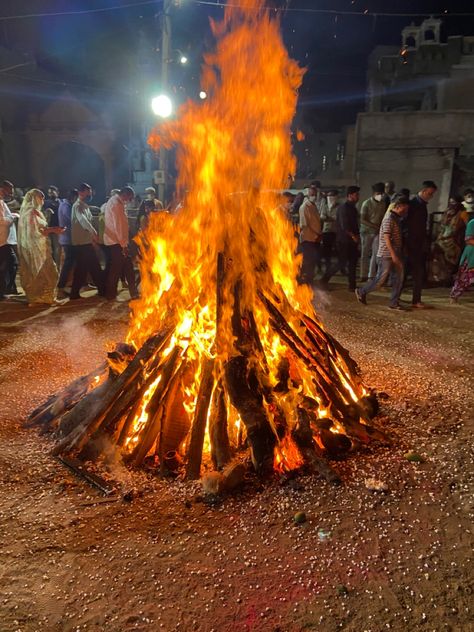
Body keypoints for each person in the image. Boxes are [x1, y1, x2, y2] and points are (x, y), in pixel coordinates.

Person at [355, 195, 409, 310]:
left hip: (394, 253)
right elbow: (386, 238)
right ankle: (361, 291)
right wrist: (393, 255)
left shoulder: (396, 218)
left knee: (399, 278)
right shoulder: (389, 219)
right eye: (405, 208)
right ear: (399, 206)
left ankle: (394, 302)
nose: (406, 211)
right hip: (386, 255)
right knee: (380, 280)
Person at [17, 189, 65, 306]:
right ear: (34, 198)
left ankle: (44, 298)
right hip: (36, 250)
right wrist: (54, 230)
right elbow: (36, 232)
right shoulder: (30, 213)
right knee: (48, 273)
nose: (43, 200)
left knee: (45, 274)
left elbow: (40, 227)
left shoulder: (34, 212)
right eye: (41, 198)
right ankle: (38, 299)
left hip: (41, 248)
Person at [403, 180, 437, 308]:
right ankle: (414, 300)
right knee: (415, 272)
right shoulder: (413, 204)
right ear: (423, 191)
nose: (431, 196)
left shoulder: (422, 205)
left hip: (417, 245)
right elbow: (405, 224)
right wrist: (406, 242)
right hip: (411, 244)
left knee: (411, 272)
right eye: (430, 193)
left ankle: (410, 299)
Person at [321, 185, 360, 290]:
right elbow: (344, 225)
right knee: (341, 263)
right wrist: (353, 236)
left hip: (352, 240)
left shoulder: (353, 208)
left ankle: (352, 285)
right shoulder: (343, 208)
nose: (358, 197)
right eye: (356, 194)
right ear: (350, 195)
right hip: (344, 241)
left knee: (353, 263)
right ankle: (324, 279)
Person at [70, 183, 105, 300]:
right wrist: (93, 232)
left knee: (85, 268)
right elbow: (83, 220)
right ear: (81, 192)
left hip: (85, 242)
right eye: (88, 192)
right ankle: (102, 290)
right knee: (91, 267)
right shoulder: (77, 206)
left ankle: (75, 293)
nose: (90, 194)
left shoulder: (84, 206)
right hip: (81, 243)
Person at [103, 186, 139, 300]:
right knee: (116, 269)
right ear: (125, 194)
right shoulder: (116, 205)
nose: (129, 201)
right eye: (129, 198)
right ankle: (110, 295)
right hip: (116, 243)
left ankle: (133, 293)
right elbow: (118, 226)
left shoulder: (117, 202)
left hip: (119, 242)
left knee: (128, 267)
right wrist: (123, 245)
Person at [432, 196, 468, 284]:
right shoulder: (447, 212)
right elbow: (441, 225)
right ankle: (441, 277)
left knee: (451, 258)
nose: (452, 205)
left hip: (454, 241)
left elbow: (467, 226)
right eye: (450, 202)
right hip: (442, 239)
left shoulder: (463, 213)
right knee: (436, 253)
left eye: (454, 202)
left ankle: (449, 278)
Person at [359, 182, 386, 281]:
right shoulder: (366, 203)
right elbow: (362, 219)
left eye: (382, 193)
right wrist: (374, 226)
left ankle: (371, 275)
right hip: (366, 232)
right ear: (374, 193)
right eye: (379, 193)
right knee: (365, 254)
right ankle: (363, 274)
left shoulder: (383, 204)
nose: (380, 195)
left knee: (375, 254)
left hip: (377, 232)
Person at [298, 184, 322, 285]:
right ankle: (305, 283)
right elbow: (305, 225)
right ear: (307, 194)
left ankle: (309, 283)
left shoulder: (313, 206)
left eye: (315, 194)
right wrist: (317, 234)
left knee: (312, 263)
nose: (314, 196)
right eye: (312, 194)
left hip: (315, 239)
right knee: (307, 263)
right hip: (308, 239)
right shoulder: (304, 207)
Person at [56, 189, 79, 298]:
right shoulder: (65, 206)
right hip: (67, 239)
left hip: (70, 238)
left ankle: (68, 284)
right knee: (68, 263)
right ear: (73, 197)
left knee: (71, 262)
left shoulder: (67, 205)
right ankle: (61, 285)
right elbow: (72, 220)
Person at [0, 180, 20, 300]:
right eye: (10, 189)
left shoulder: (2, 202)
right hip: (3, 240)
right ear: (3, 188)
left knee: (9, 264)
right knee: (10, 264)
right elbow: (3, 221)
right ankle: (3, 291)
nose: (12, 192)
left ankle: (8, 288)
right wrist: (14, 216)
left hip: (4, 240)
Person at [450, 217, 474, 303]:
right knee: (463, 278)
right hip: (472, 253)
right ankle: (454, 295)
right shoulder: (472, 223)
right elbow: (468, 240)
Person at [319, 189, 338, 274]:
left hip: (336, 232)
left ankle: (341, 268)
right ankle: (327, 268)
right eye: (329, 196)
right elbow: (322, 217)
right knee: (327, 252)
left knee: (338, 251)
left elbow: (337, 218)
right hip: (326, 231)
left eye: (332, 196)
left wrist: (328, 218)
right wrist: (330, 218)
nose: (330, 198)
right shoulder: (325, 206)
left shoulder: (339, 207)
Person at [43, 185, 61, 267]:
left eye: (53, 192)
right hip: (49, 228)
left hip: (59, 228)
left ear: (57, 192)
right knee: (51, 249)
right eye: (49, 192)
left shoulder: (61, 203)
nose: (51, 194)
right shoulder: (46, 202)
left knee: (57, 249)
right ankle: (52, 267)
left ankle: (57, 267)